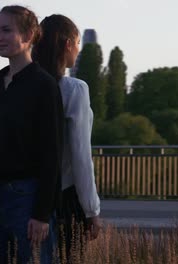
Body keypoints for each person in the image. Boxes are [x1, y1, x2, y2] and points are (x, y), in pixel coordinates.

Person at [0, 6, 63, 264]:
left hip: (25, 198)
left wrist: (42, 213)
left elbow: (52, 153)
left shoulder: (44, 85)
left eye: (6, 30)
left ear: (29, 35)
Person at [33, 14, 102, 258]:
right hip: (63, 198)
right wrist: (91, 209)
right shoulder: (74, 89)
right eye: (78, 43)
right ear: (68, 45)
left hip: (26, 194)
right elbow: (80, 154)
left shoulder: (25, 84)